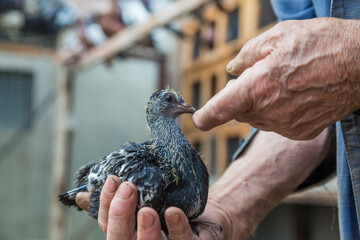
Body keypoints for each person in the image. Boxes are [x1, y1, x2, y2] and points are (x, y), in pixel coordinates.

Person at [76, 0, 360, 239]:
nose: (185, 104)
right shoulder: (150, 175)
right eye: (171, 101)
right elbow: (312, 109)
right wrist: (223, 209)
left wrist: (352, 56)